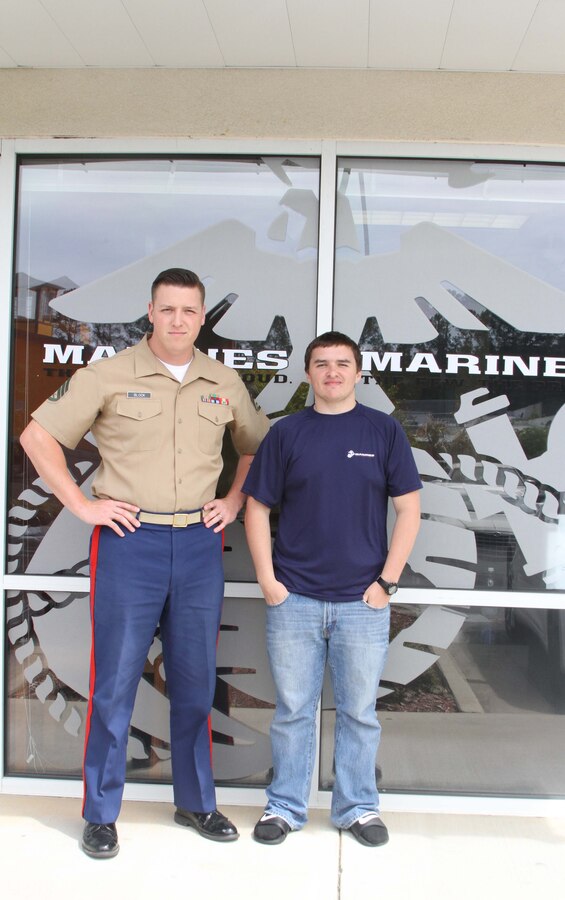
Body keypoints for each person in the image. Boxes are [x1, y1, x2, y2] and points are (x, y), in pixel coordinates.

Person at [20, 267, 270, 859]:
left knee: (194, 681)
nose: (178, 320)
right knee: (115, 683)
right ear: (150, 313)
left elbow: (258, 447)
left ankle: (196, 802)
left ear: (202, 317)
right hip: (132, 542)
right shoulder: (108, 374)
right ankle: (102, 813)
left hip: (200, 545)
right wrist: (82, 504)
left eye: (189, 310)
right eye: (167, 309)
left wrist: (233, 501)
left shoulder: (223, 381)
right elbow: (37, 437)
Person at [243, 331, 421, 847]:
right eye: (321, 364)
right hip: (293, 598)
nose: (332, 372)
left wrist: (387, 582)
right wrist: (268, 581)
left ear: (358, 373)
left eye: (343, 363)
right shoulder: (287, 434)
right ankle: (285, 806)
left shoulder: (383, 431)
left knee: (359, 713)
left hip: (363, 602)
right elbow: (256, 509)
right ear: (308, 374)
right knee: (294, 711)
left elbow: (409, 509)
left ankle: (358, 808)